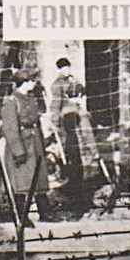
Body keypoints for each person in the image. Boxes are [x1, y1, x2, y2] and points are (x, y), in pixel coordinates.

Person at [0, 70, 53, 226]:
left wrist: (42, 144)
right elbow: (10, 129)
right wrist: (18, 151)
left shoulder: (31, 99)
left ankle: (45, 212)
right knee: (21, 183)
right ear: (25, 82)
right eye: (32, 81)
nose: (35, 83)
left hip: (35, 143)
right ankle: (22, 217)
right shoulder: (11, 101)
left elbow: (37, 123)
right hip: (22, 145)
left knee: (39, 179)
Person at [47, 58, 87, 199]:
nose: (67, 71)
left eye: (68, 68)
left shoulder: (72, 80)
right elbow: (55, 106)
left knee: (79, 151)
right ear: (59, 70)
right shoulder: (57, 85)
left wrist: (76, 86)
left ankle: (79, 180)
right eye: (64, 69)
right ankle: (73, 183)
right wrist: (55, 123)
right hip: (66, 121)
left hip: (76, 119)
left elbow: (81, 88)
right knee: (71, 152)